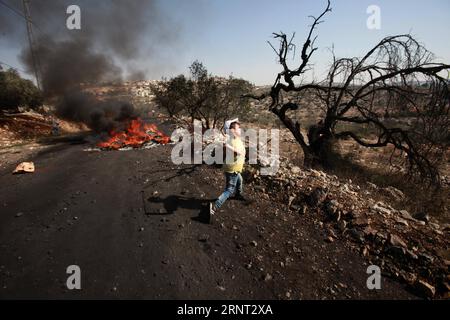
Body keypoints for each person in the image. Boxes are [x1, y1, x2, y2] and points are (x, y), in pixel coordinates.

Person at [209, 120, 247, 223]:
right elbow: (231, 150)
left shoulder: (236, 139)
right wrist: (238, 152)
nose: (240, 130)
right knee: (229, 190)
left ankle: (238, 194)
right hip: (232, 169)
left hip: (234, 168)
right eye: (238, 128)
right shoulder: (232, 140)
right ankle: (214, 206)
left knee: (240, 179)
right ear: (232, 130)